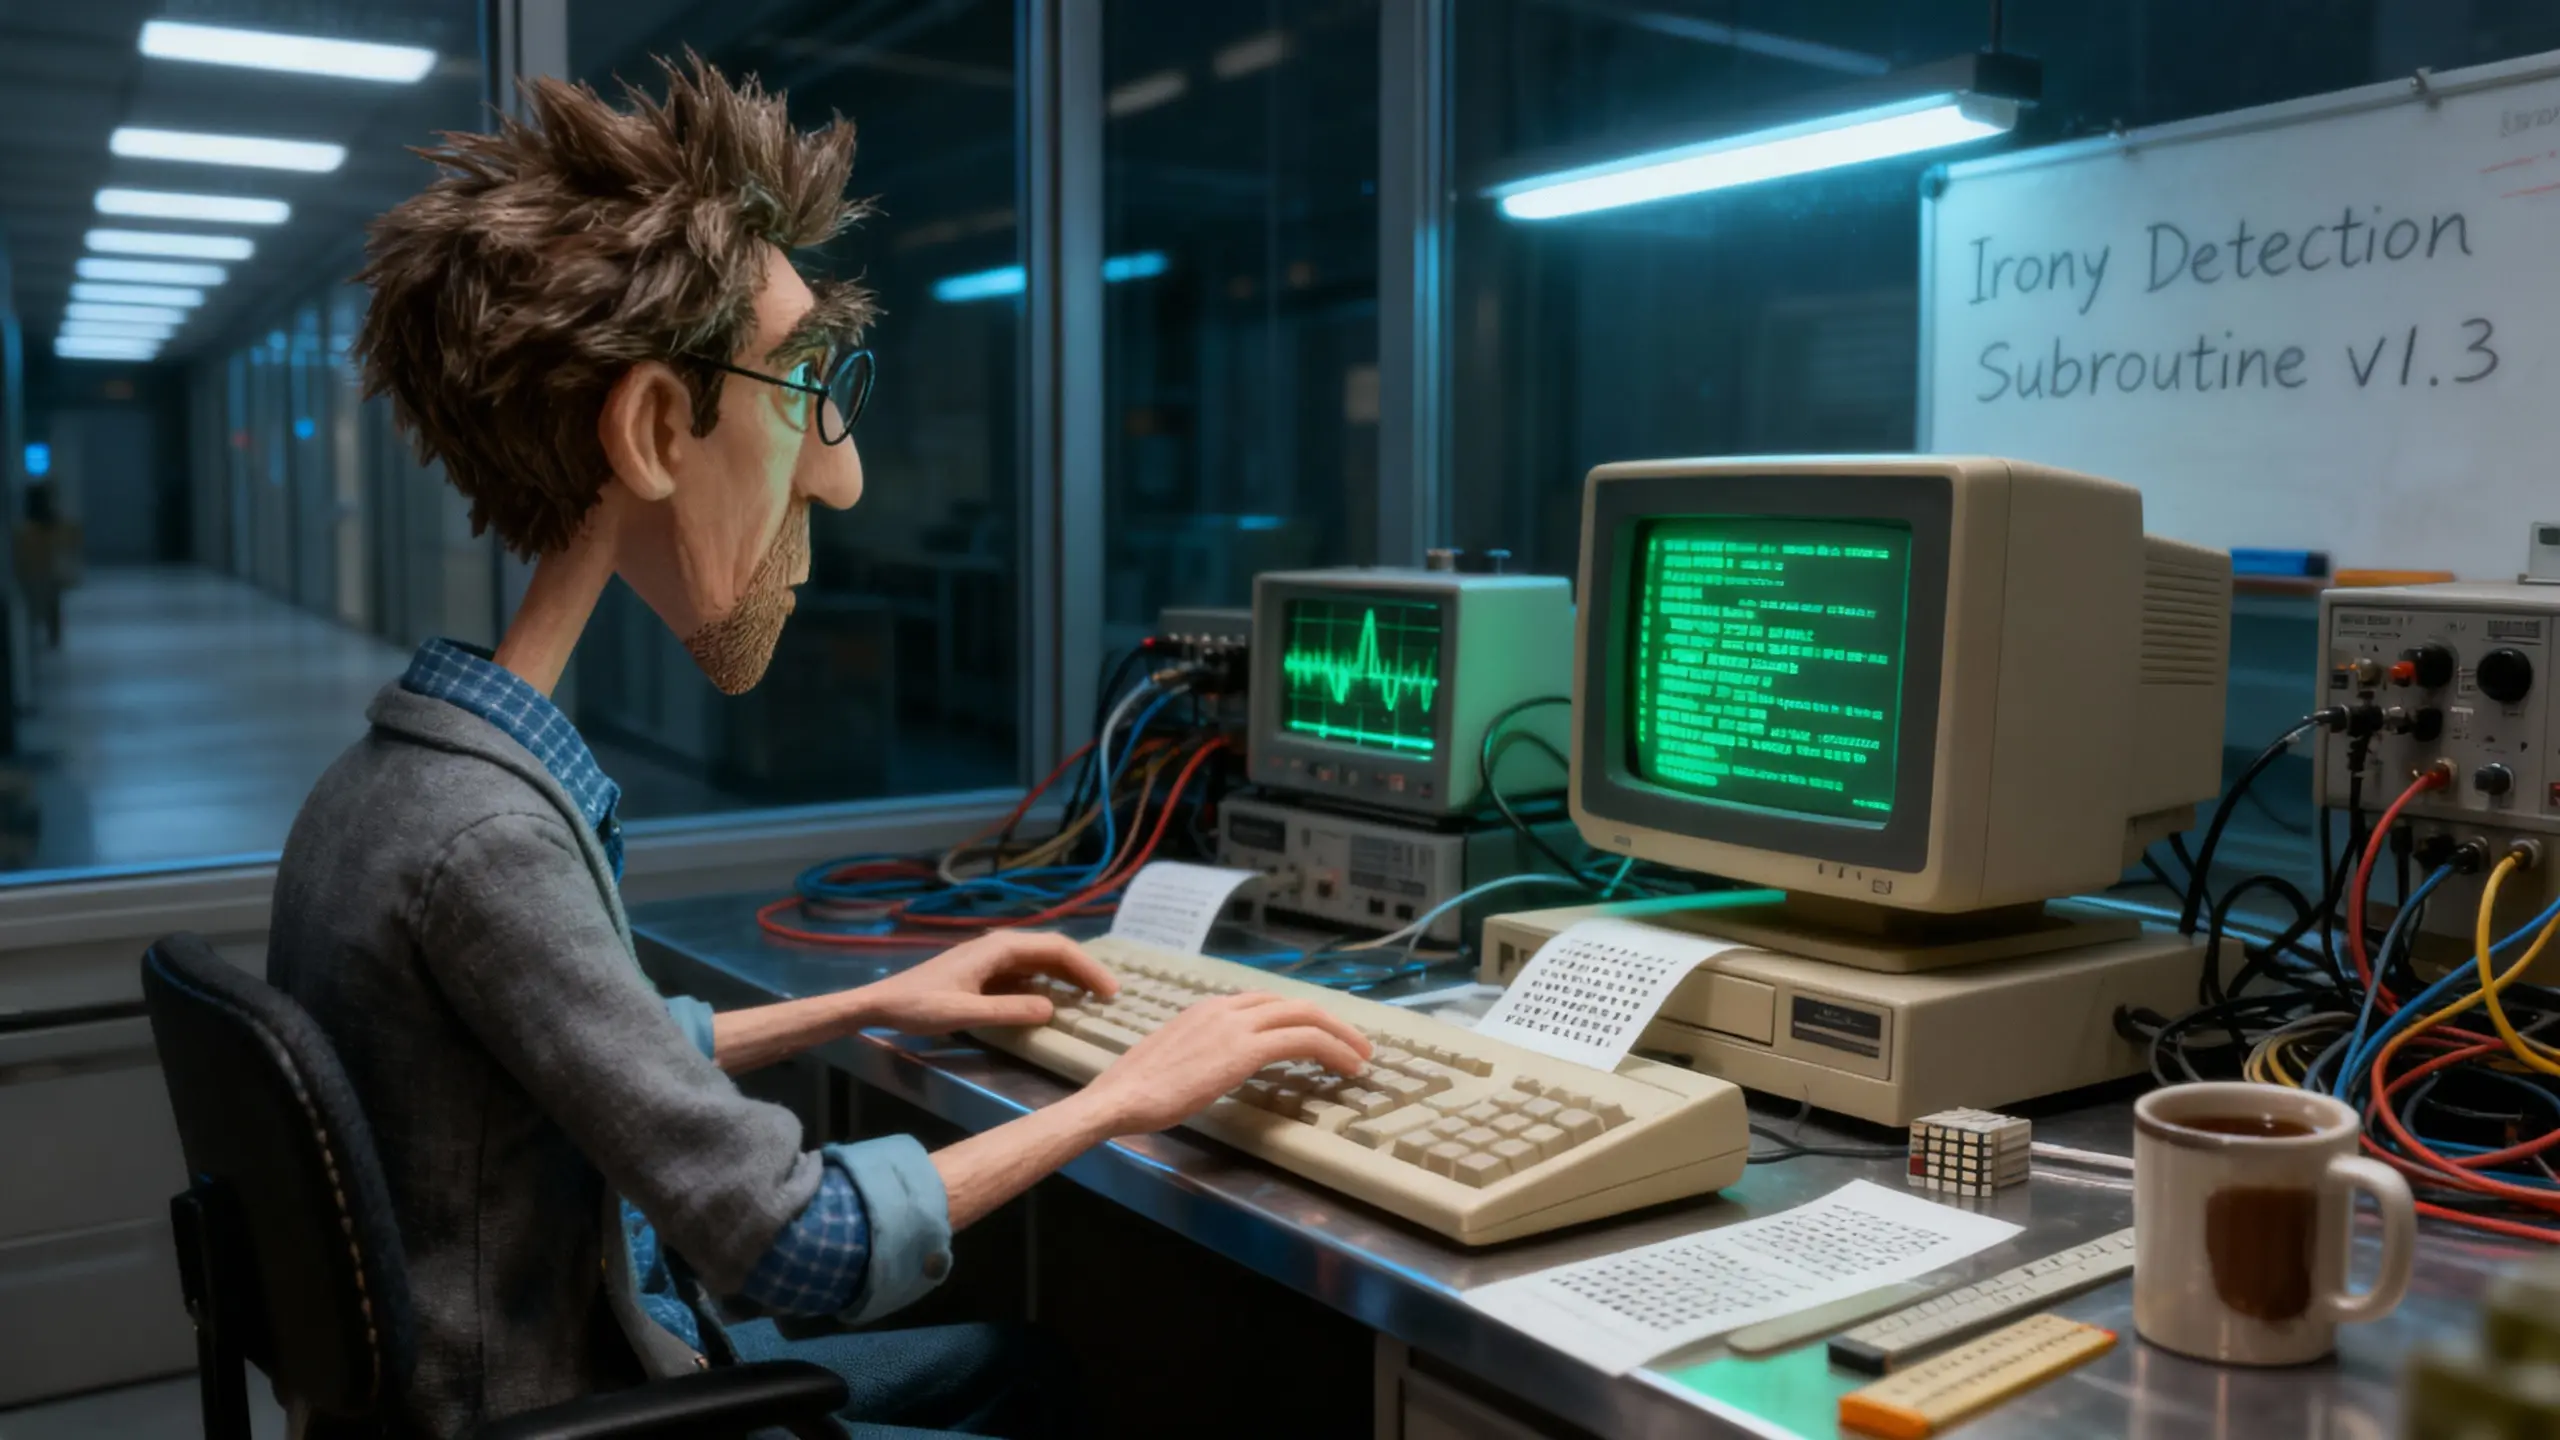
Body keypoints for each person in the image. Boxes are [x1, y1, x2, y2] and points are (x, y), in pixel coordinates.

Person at [266, 56, 1369, 1440]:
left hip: (525, 1381)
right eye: (800, 382)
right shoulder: (484, 841)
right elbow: (797, 1246)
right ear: (659, 428)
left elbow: (577, 1056)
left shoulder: (387, 788)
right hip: (579, 1404)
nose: (837, 471)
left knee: (1030, 1365)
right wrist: (1142, 1088)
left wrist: (869, 1003)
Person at [15, 481, 78, 649]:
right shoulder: (46, 524)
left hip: (36, 573)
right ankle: (51, 638)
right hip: (45, 572)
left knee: (39, 608)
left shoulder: (26, 528)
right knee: (50, 607)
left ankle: (43, 639)